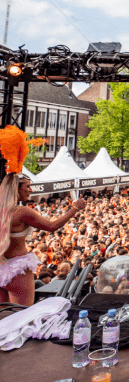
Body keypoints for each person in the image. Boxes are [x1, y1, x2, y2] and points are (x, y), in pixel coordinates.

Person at [0, 127, 87, 306]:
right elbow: (52, 226)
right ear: (16, 189)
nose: (31, 190)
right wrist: (74, 208)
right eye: (28, 187)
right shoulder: (22, 212)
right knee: (22, 313)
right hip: (17, 269)